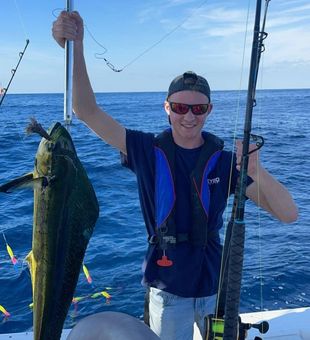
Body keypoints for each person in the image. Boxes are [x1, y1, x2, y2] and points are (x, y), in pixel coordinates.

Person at [52, 11, 298, 340]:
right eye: (180, 107)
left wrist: (257, 171)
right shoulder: (144, 149)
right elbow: (86, 111)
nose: (189, 117)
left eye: (198, 109)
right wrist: (77, 46)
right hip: (167, 293)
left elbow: (288, 214)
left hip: (215, 289)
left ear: (209, 111)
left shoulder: (224, 162)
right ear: (166, 107)